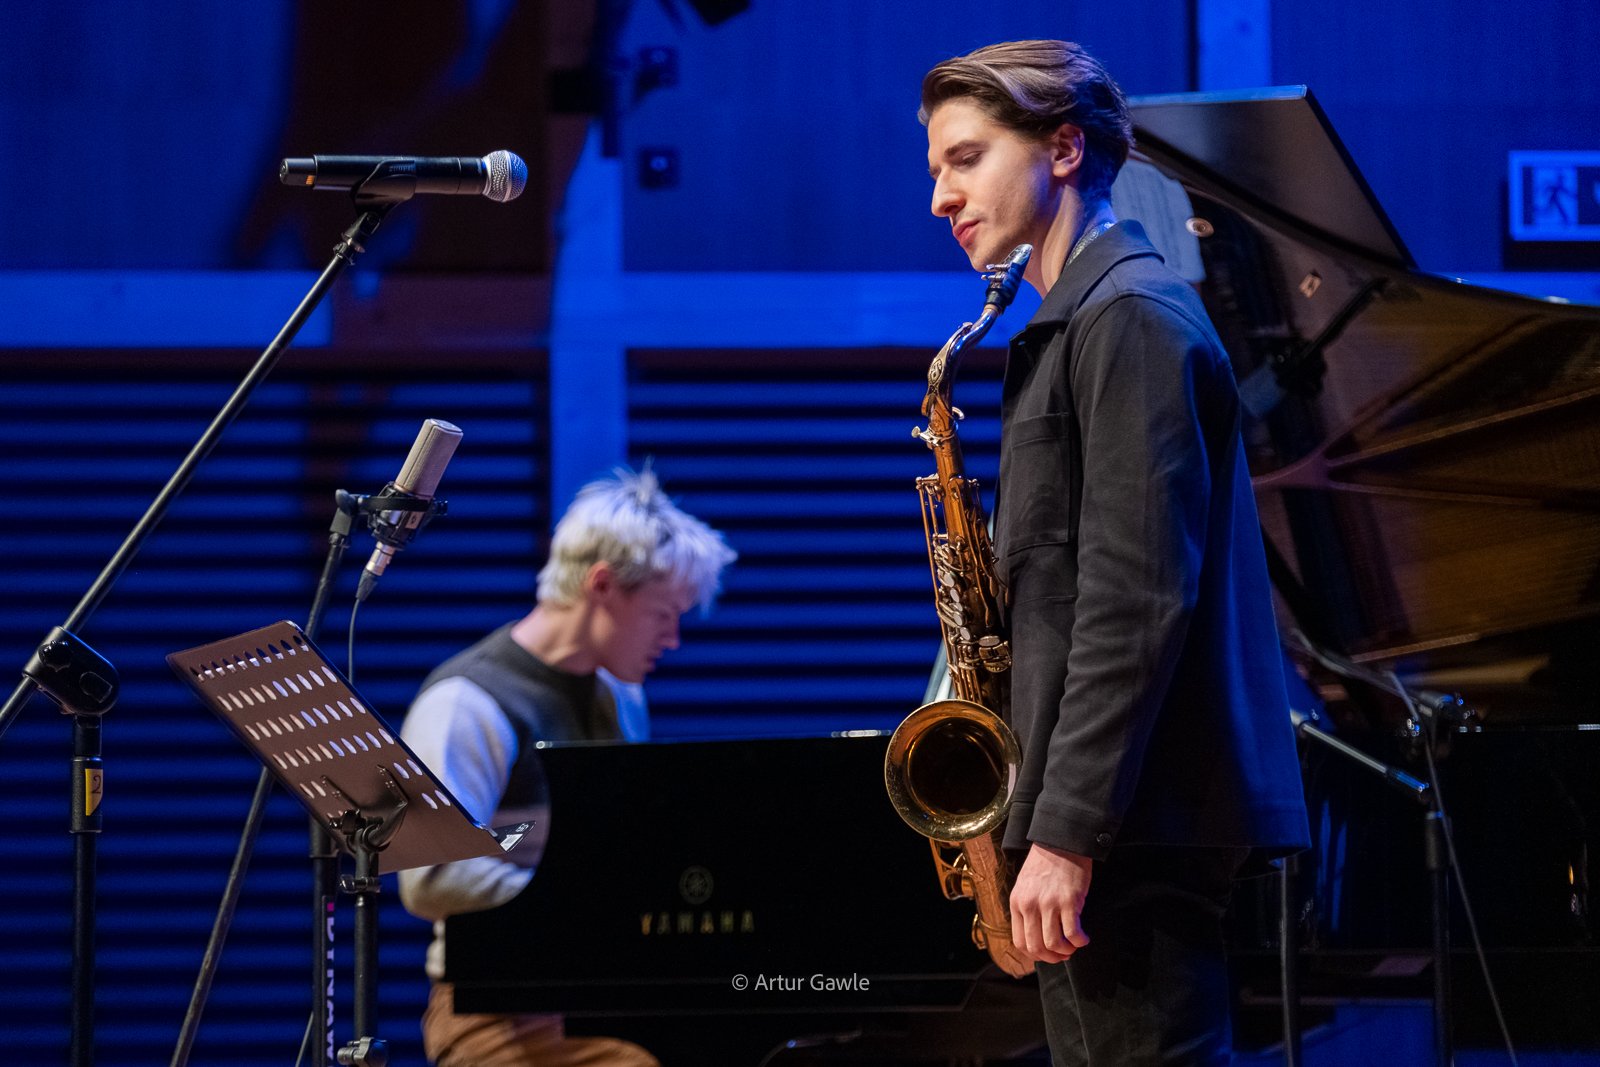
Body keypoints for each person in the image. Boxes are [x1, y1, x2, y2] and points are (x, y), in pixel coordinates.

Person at [921, 40, 1310, 1065]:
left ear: (1062, 149)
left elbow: (1134, 600)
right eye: (937, 169)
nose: (940, 196)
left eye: (965, 159)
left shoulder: (1130, 317)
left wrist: (1065, 830)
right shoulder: (1079, 322)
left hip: (1130, 825)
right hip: (1108, 819)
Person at [397, 466, 736, 1067]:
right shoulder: (466, 703)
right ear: (602, 585)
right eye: (664, 614)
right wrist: (587, 903)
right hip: (494, 1007)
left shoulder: (619, 694)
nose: (674, 639)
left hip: (598, 988)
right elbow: (430, 879)